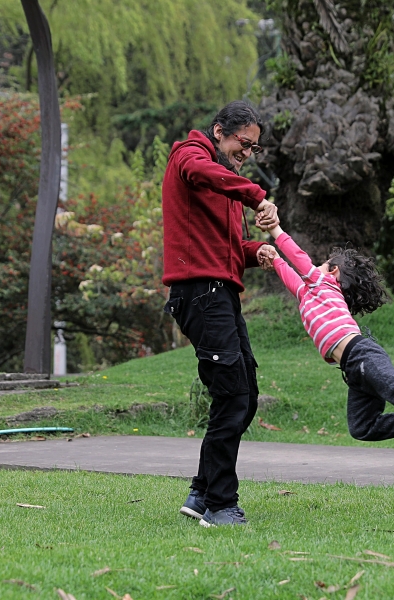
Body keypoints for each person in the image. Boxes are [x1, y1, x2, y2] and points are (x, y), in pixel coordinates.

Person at [256, 219, 394, 460]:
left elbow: (296, 255)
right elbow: (289, 274)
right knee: (362, 426)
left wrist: (274, 229)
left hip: (361, 354)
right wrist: (273, 258)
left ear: (333, 271)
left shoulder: (321, 281)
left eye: (322, 265)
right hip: (352, 368)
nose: (313, 268)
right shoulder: (309, 293)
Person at [161, 101, 278, 527]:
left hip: (221, 294)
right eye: (243, 143)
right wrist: (255, 195)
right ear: (217, 131)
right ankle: (221, 505)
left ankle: (202, 493)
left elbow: (224, 250)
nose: (247, 152)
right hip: (199, 294)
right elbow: (200, 173)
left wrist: (256, 250)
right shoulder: (189, 156)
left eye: (254, 148)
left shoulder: (229, 186)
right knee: (231, 395)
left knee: (244, 394)